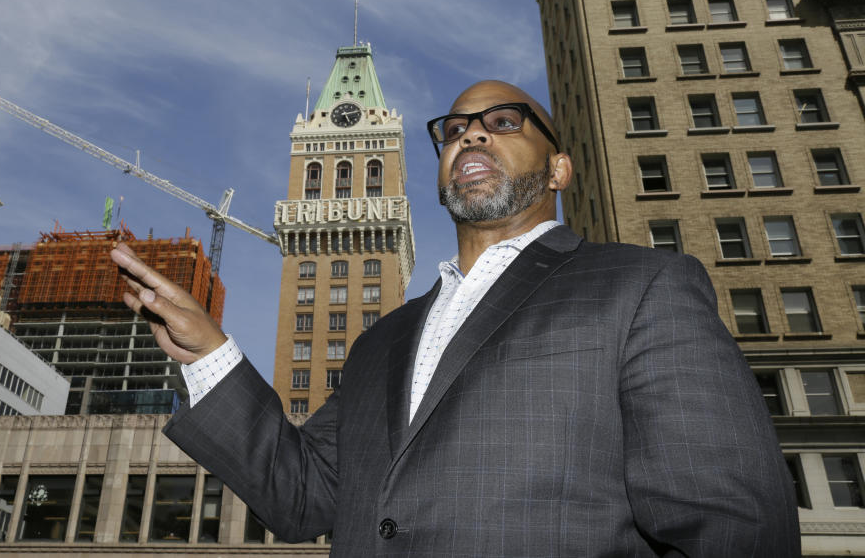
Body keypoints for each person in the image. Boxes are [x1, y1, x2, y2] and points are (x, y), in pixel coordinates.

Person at [111, 80, 800, 556]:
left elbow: (732, 528)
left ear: (559, 170)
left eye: (503, 122)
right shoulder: (381, 341)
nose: (471, 133)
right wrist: (207, 353)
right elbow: (302, 497)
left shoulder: (642, 285)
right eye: (454, 130)